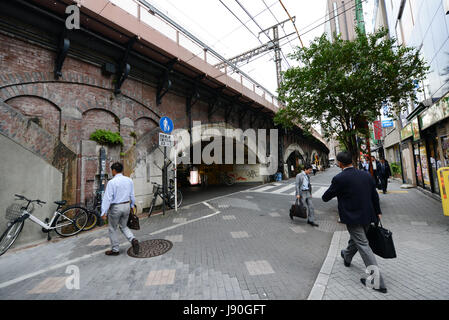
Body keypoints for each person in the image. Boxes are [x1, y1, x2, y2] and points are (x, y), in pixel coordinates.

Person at [322, 151, 387, 293]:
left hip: (352, 218)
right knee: (357, 239)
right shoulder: (365, 175)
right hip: (368, 216)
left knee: (363, 245)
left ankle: (377, 282)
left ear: (339, 163)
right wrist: (378, 212)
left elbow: (326, 197)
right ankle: (347, 255)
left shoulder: (339, 178)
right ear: (351, 160)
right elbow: (374, 195)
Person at [101, 162, 140, 256]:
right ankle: (133, 239)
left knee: (112, 228)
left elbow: (107, 198)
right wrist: (132, 206)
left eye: (112, 170)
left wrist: (104, 212)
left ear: (113, 170)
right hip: (126, 205)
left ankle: (115, 249)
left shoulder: (112, 182)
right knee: (124, 226)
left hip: (116, 207)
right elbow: (132, 195)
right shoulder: (129, 180)